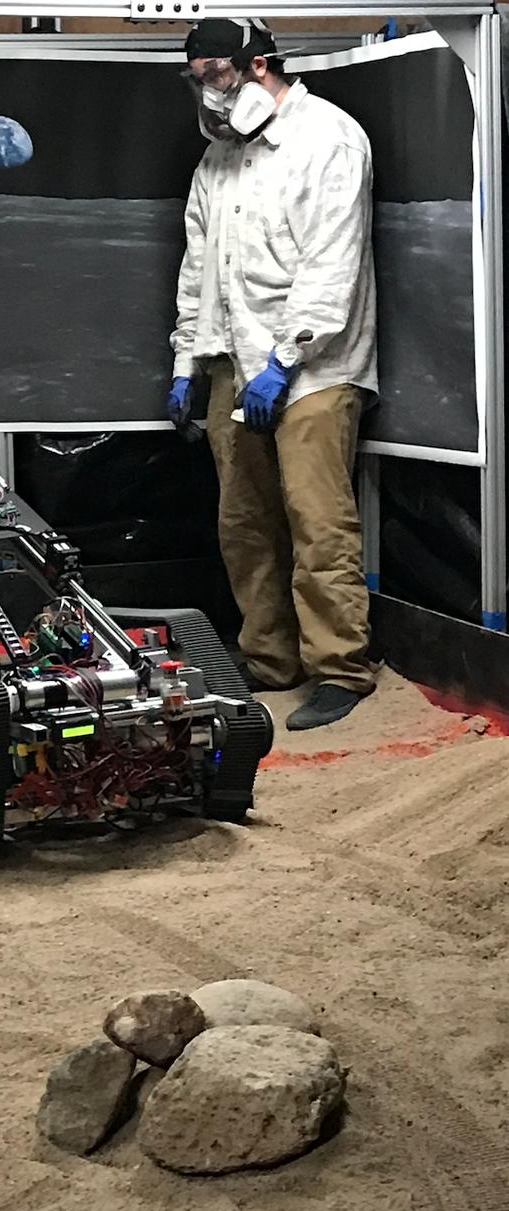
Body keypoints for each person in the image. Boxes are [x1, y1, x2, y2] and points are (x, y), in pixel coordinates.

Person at [168, 19, 378, 730]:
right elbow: (200, 269)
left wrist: (285, 360)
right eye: (194, 75)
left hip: (315, 366)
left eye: (214, 73)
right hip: (233, 357)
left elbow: (331, 263)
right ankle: (267, 660)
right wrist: (185, 361)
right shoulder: (217, 161)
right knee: (243, 521)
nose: (206, 88)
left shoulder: (328, 139)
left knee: (316, 518)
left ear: (258, 65)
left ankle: (339, 667)